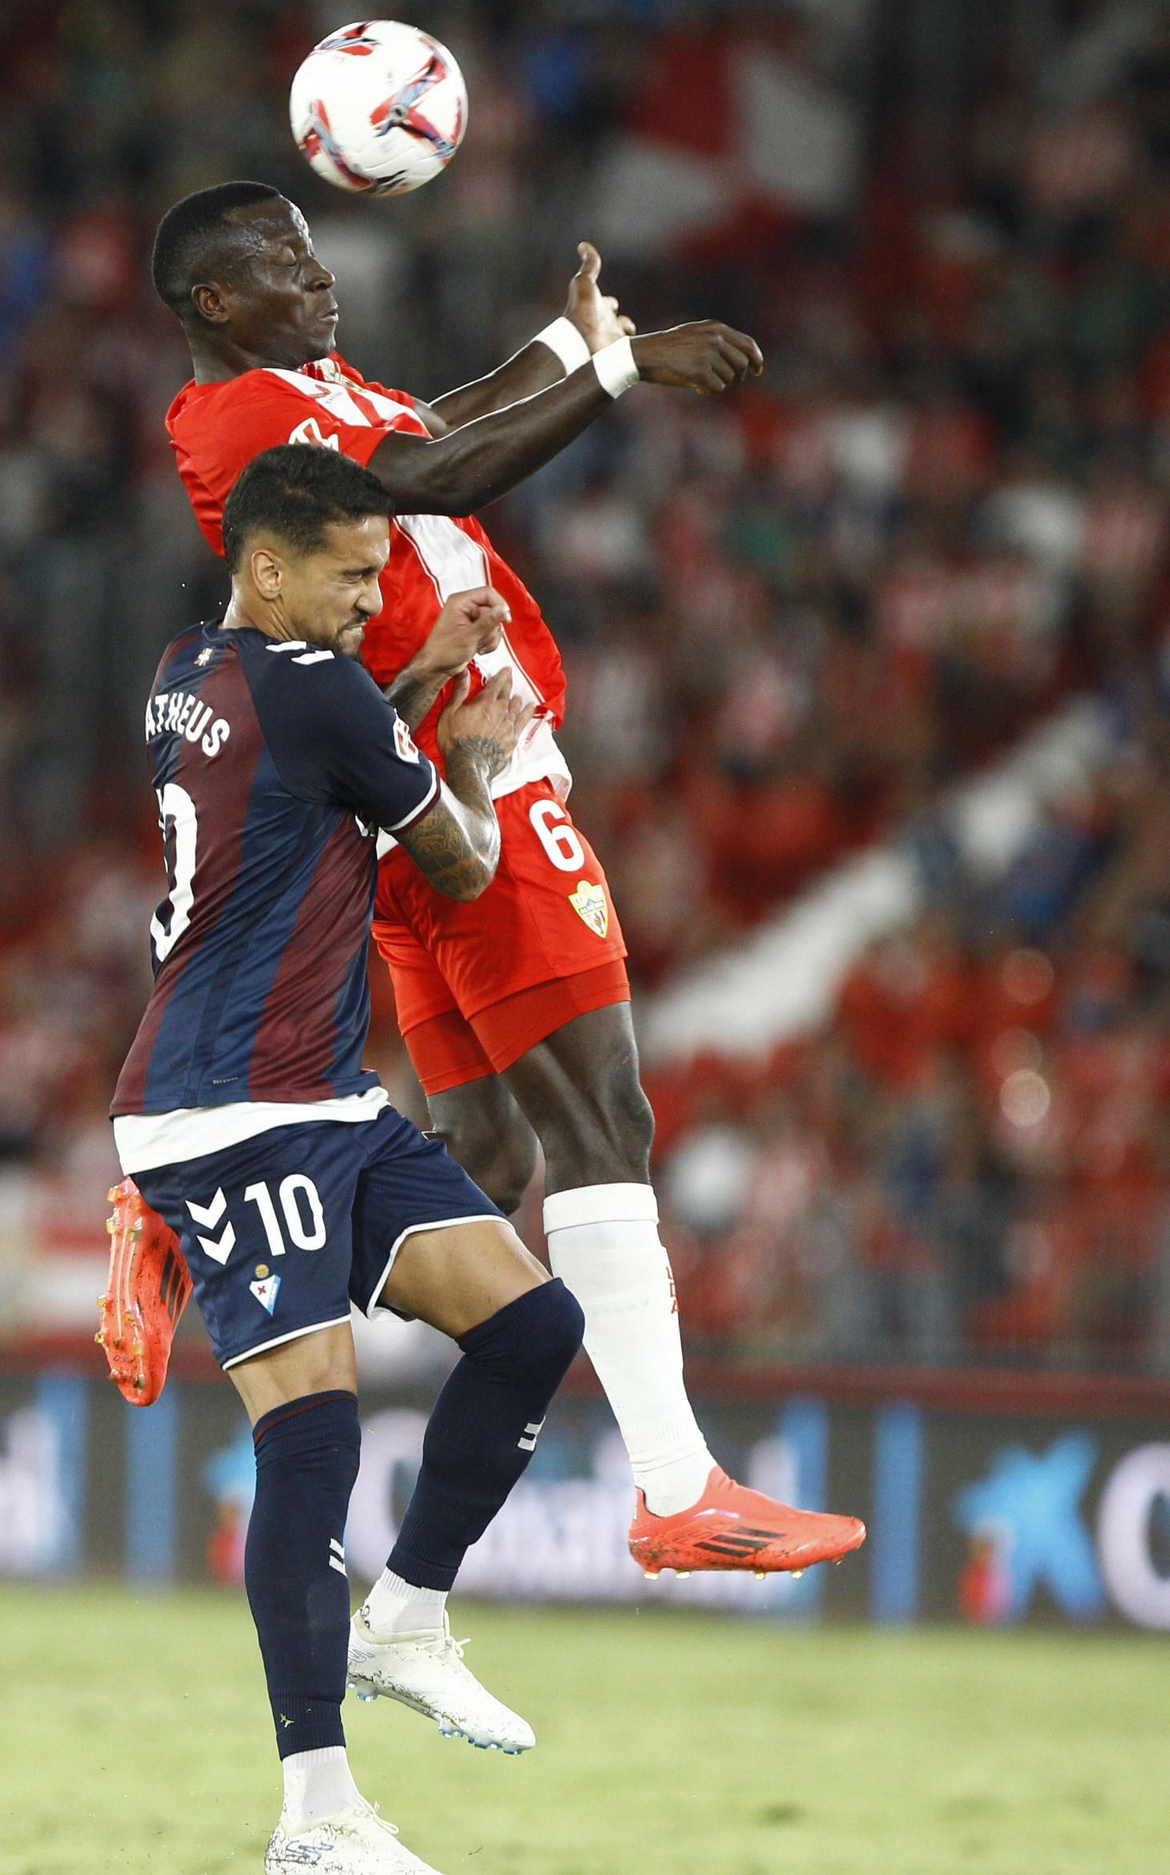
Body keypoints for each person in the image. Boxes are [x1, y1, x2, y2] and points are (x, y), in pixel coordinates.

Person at [111, 179, 865, 1579]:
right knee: (604, 1117)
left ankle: (185, 1224)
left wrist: (562, 346)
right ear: (213, 302)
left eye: (312, 243)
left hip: (417, 778)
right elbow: (427, 479)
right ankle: (677, 1483)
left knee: (498, 1162)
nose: (318, 270)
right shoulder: (241, 419)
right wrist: (623, 377)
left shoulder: (305, 386)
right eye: (281, 260)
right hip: (470, 771)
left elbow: (427, 432)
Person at [111, 442, 586, 1875]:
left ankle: (409, 1615)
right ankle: (315, 1815)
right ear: (269, 565)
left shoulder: (191, 669)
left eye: (384, 576)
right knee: (311, 1440)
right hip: (231, 1107)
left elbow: (312, 758)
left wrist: (407, 674)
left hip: (313, 1093)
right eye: (354, 576)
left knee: (531, 1323)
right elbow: (454, 862)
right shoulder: (316, 686)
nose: (375, 597)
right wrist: (475, 760)